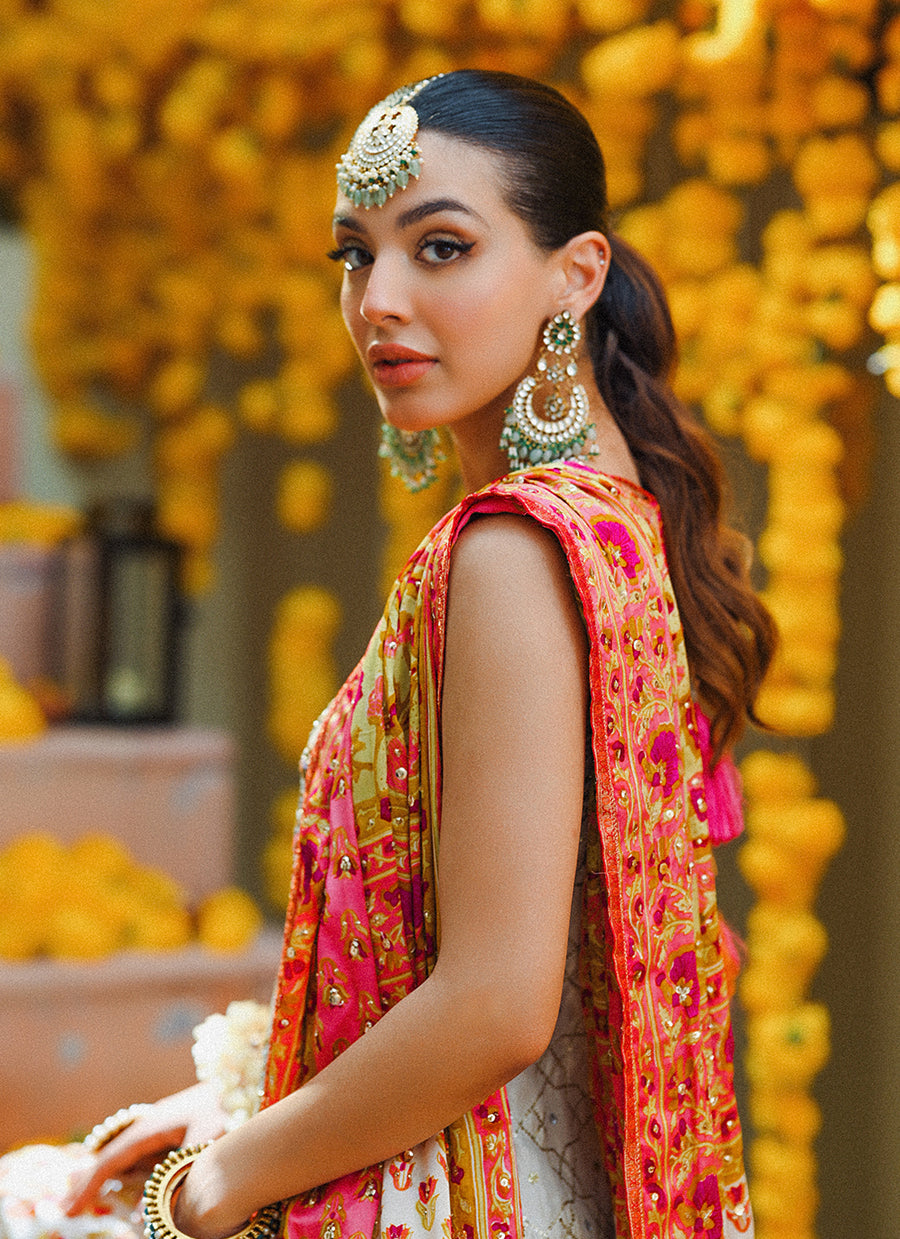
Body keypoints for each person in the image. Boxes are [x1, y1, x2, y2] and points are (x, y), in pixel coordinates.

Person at [1, 69, 775, 1239]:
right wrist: (234, 1106)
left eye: (443, 248)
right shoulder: (617, 518)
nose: (379, 301)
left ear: (578, 274)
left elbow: (497, 1009)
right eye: (355, 255)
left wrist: (212, 1187)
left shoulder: (514, 549)